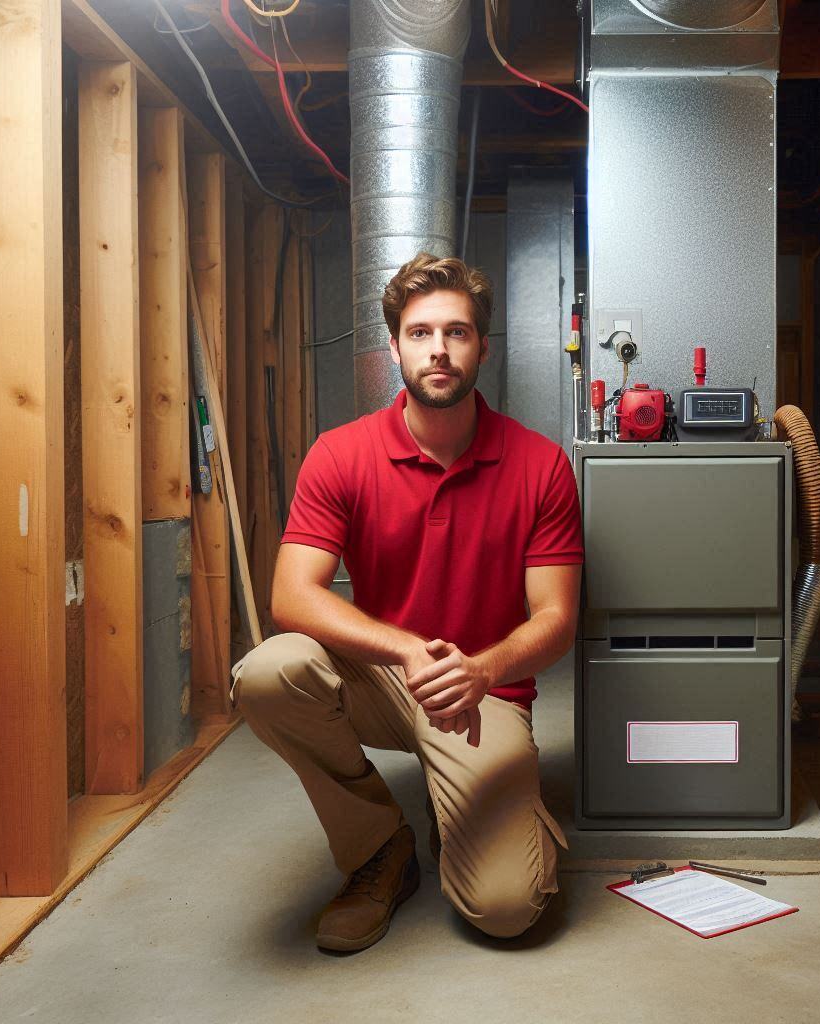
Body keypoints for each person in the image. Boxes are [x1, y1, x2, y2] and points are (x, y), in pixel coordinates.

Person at [230, 252, 581, 952]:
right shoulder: (341, 455)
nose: (439, 350)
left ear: (482, 345)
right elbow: (292, 597)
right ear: (394, 347)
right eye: (420, 333)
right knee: (270, 673)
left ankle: (464, 811)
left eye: (457, 332)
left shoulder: (540, 463)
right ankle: (377, 851)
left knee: (508, 909)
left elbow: (556, 619)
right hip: (379, 677)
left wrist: (480, 670)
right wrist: (405, 648)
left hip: (484, 690)